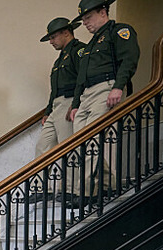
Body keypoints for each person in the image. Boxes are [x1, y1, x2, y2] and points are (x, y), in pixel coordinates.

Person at [68, 0, 139, 207]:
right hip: (87, 95)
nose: (85, 23)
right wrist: (75, 103)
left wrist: (118, 86)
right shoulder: (90, 44)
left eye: (88, 17)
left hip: (106, 87)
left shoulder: (119, 31)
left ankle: (87, 191)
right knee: (80, 144)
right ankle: (108, 184)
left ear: (103, 12)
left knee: (90, 141)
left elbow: (129, 59)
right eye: (83, 19)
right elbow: (81, 77)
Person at [31, 17, 86, 203]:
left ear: (66, 32)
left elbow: (82, 79)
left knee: (68, 147)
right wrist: (47, 111)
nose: (52, 42)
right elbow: (54, 90)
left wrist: (77, 103)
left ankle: (71, 190)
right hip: (56, 106)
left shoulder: (79, 51)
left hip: (70, 101)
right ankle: (41, 188)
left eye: (53, 37)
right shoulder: (60, 58)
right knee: (43, 146)